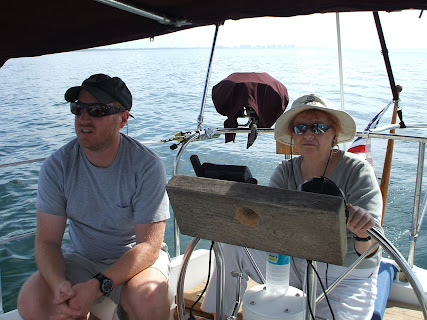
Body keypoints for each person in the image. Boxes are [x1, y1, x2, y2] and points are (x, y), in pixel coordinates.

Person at [201, 94, 383, 320]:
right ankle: (219, 314)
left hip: (345, 276)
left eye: (318, 127)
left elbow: (370, 249)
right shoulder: (285, 171)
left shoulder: (358, 171)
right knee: (229, 243)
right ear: (292, 136)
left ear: (334, 133)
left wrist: (363, 233)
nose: (308, 134)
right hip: (293, 264)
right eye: (300, 128)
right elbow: (268, 227)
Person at [17, 74, 171, 320]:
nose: (83, 118)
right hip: (82, 258)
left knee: (148, 297)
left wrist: (98, 285)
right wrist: (59, 286)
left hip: (135, 261)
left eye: (97, 110)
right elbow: (46, 242)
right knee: (31, 299)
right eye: (78, 108)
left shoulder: (146, 166)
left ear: (122, 119)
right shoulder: (57, 166)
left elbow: (149, 246)